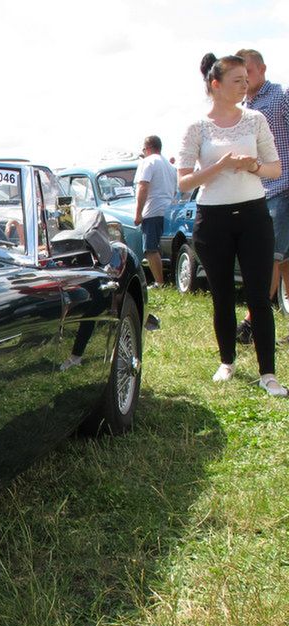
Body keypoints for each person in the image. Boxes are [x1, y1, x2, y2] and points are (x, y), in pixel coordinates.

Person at [177, 53, 285, 396]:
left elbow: (276, 169)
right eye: (237, 80)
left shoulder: (255, 120)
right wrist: (221, 164)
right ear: (216, 85)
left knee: (257, 295)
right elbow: (184, 183)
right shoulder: (196, 127)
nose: (244, 86)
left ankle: (268, 373)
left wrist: (252, 166)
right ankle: (228, 361)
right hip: (213, 220)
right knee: (222, 295)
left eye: (245, 80)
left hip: (254, 214)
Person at [235, 48, 289, 345]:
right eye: (239, 77)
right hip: (258, 191)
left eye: (249, 74)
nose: (244, 81)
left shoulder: (281, 97)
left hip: (282, 188)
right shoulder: (243, 106)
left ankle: (250, 322)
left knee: (270, 258)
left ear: (263, 69)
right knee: (283, 263)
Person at [133, 135, 177, 286]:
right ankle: (167, 279)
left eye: (144, 149)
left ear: (148, 148)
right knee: (162, 247)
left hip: (153, 209)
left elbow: (143, 186)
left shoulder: (148, 161)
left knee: (151, 249)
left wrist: (138, 213)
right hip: (168, 209)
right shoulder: (170, 166)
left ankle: (160, 282)